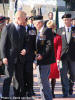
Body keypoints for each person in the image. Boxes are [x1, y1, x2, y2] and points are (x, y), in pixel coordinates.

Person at [0, 11, 27, 99]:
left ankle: (16, 96)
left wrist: (25, 49)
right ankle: (5, 97)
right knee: (8, 78)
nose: (24, 20)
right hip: (9, 58)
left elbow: (26, 42)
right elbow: (2, 44)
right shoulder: (7, 28)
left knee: (18, 79)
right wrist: (3, 57)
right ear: (19, 18)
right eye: (24, 18)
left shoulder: (23, 29)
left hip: (20, 58)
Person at [34, 15, 55, 100]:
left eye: (35, 23)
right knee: (40, 81)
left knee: (44, 81)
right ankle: (44, 98)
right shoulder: (38, 32)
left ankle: (48, 98)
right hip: (39, 60)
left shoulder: (47, 31)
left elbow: (49, 46)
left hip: (45, 60)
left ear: (39, 23)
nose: (34, 25)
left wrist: (42, 55)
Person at [57, 13, 74, 97]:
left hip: (73, 56)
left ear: (71, 20)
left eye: (67, 19)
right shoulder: (59, 30)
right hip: (62, 56)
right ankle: (65, 91)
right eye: (64, 20)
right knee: (63, 74)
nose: (66, 21)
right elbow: (57, 44)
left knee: (73, 74)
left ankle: (71, 85)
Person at [47, 20, 62, 98]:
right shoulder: (44, 36)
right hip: (46, 59)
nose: (51, 29)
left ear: (54, 28)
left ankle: (52, 91)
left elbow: (59, 48)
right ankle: (47, 91)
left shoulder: (58, 37)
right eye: (49, 27)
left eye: (52, 27)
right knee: (46, 76)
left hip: (54, 59)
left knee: (53, 76)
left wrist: (58, 58)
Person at [22, 16, 36, 97]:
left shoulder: (32, 30)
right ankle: (24, 89)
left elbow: (34, 43)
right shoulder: (19, 29)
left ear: (26, 21)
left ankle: (30, 89)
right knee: (22, 73)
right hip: (21, 56)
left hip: (30, 55)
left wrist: (34, 56)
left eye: (25, 21)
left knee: (29, 73)